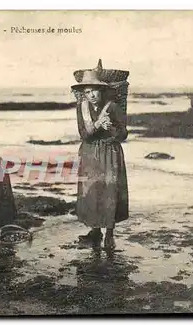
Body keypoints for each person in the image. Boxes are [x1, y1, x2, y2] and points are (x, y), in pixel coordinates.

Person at [71, 69, 129, 250]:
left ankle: (109, 233)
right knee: (92, 191)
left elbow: (123, 135)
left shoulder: (113, 107)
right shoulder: (82, 108)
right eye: (87, 92)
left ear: (102, 90)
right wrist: (97, 125)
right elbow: (83, 134)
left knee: (110, 191)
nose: (91, 95)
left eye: (94, 91)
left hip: (110, 153)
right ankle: (95, 232)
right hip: (90, 153)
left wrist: (111, 127)